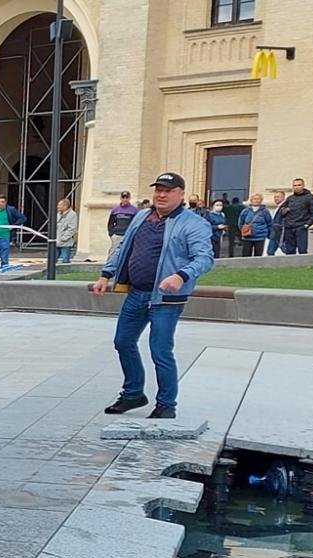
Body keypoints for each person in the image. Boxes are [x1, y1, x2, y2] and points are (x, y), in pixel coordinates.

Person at [91, 171, 215, 420]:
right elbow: (123, 247)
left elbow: (205, 258)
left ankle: (166, 404)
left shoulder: (194, 223)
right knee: (123, 342)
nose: (161, 194)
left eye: (167, 191)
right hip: (137, 294)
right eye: (158, 189)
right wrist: (106, 274)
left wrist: (181, 275)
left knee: (160, 350)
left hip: (165, 300)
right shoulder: (141, 217)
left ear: (180, 194)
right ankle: (133, 393)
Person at [278, 178, 313, 255]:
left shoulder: (310, 197)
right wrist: (284, 211)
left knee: (302, 250)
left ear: (303, 186)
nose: (297, 187)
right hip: (289, 227)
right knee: (289, 251)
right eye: (295, 185)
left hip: (301, 227)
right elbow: (282, 211)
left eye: (299, 185)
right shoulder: (290, 198)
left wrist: (307, 224)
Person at [265, 188, 288, 255]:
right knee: (270, 251)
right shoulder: (278, 207)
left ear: (283, 197)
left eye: (278, 197)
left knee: (285, 249)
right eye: (275, 197)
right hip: (274, 232)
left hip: (279, 232)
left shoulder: (285, 206)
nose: (276, 199)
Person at [55, 196, 78, 265]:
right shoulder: (58, 214)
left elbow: (72, 228)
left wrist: (64, 238)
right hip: (56, 241)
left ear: (65, 206)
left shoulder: (72, 215)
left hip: (65, 242)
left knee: (65, 261)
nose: (58, 206)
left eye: (60, 205)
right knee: (53, 260)